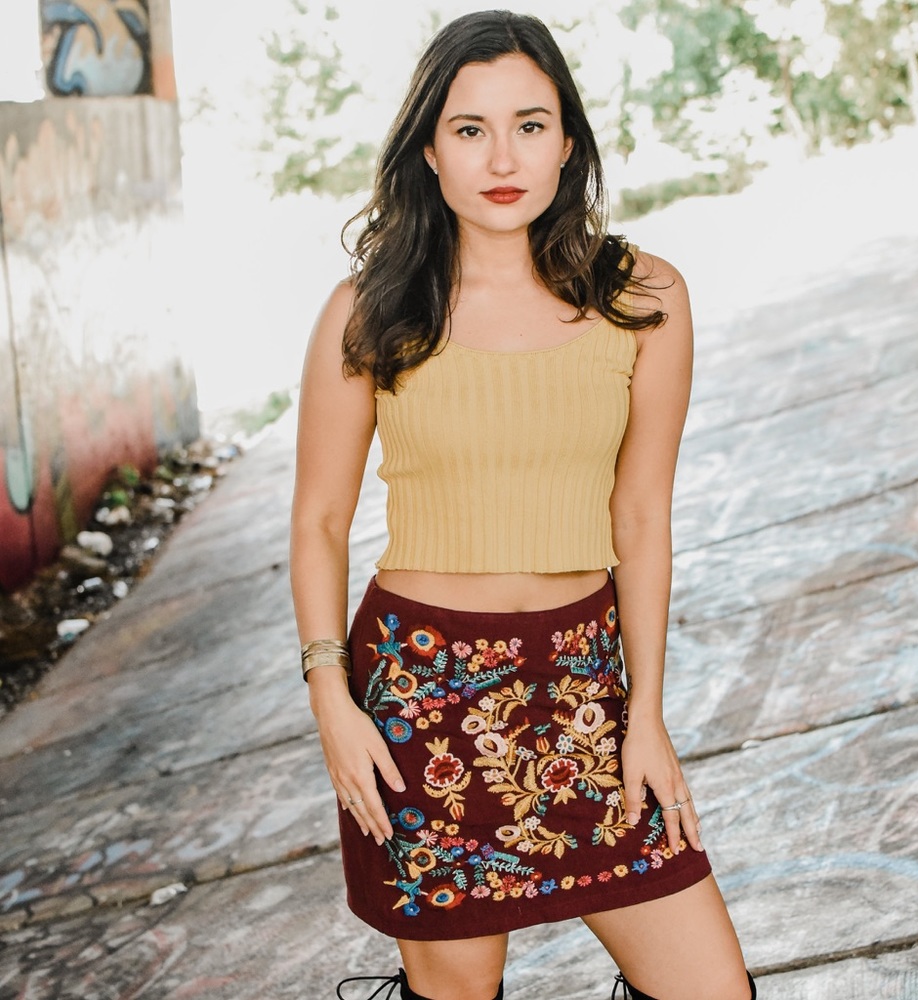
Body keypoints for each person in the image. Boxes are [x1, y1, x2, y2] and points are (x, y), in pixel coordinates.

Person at [290, 11, 754, 1000]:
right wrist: (331, 695)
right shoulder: (370, 309)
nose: (503, 156)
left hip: (587, 682)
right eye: (469, 129)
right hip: (418, 698)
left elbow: (640, 519)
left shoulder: (644, 297)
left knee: (710, 987)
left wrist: (646, 714)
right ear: (428, 148)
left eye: (530, 125)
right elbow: (320, 520)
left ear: (569, 141)